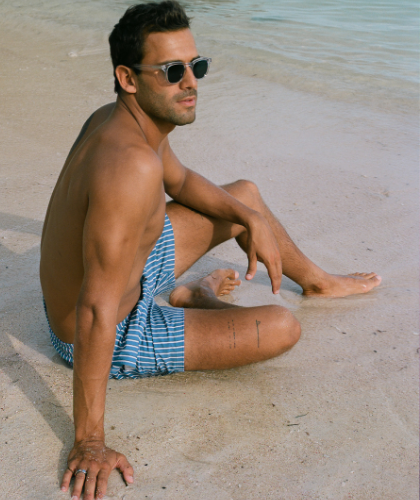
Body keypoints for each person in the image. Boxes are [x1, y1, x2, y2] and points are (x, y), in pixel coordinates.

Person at [40, 1, 381, 498]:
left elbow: (179, 180)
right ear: (128, 78)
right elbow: (95, 309)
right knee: (282, 327)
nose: (190, 83)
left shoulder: (124, 121)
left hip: (129, 275)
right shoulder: (129, 165)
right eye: (172, 71)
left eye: (196, 67)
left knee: (245, 195)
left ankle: (317, 281)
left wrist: (252, 218)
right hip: (104, 332)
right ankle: (195, 299)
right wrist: (89, 441)